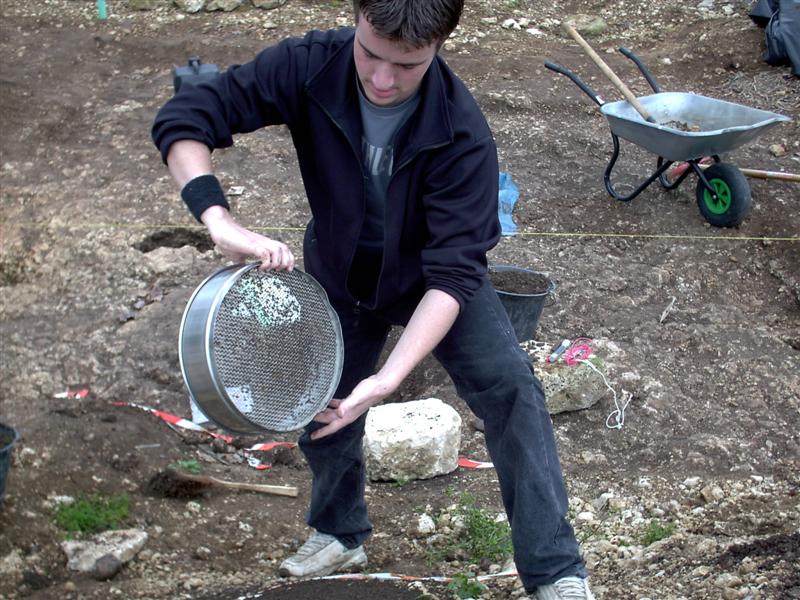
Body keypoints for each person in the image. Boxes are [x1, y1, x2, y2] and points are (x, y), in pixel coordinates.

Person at [152, 1, 595, 598]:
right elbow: (187, 116)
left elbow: (454, 275)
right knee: (322, 398)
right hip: (340, 268)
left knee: (512, 390)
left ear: (439, 44)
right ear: (357, 17)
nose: (383, 80)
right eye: (370, 55)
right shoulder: (310, 65)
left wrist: (387, 380)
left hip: (430, 281)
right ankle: (338, 532)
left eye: (406, 65)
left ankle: (555, 572)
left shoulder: (462, 133)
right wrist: (218, 219)